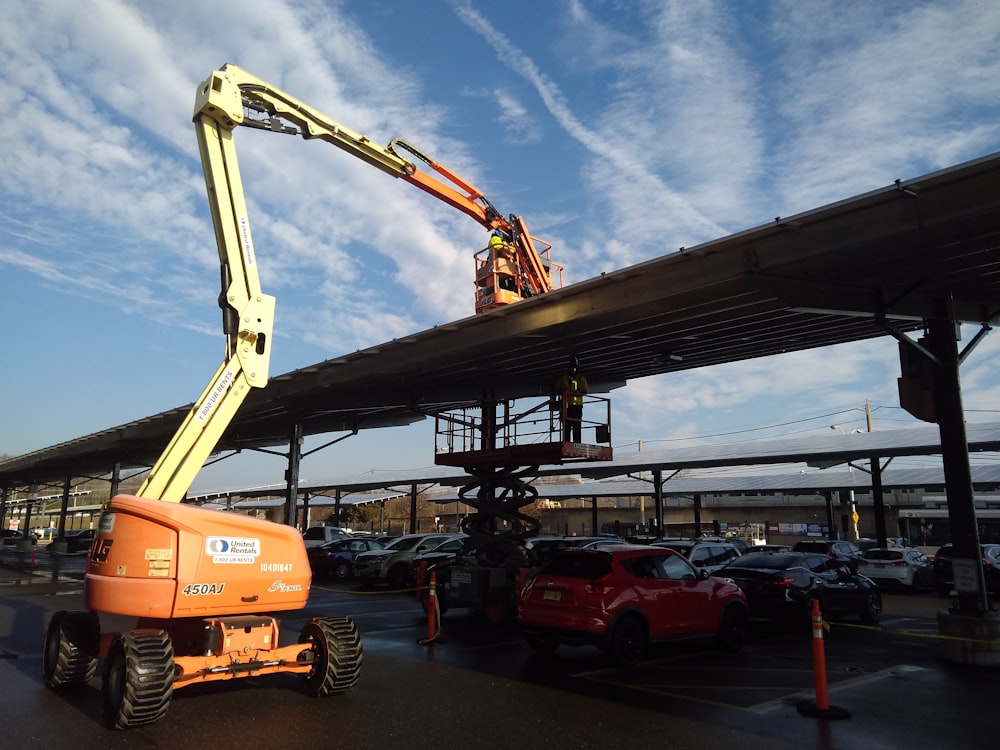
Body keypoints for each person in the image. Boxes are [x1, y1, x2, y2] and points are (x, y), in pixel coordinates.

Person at [554, 355, 588, 442]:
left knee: (576, 426)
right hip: (567, 406)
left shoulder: (581, 379)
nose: (573, 369)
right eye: (571, 367)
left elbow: (584, 391)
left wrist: (576, 393)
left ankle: (577, 443)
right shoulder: (564, 378)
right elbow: (556, 388)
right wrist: (562, 391)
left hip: (577, 406)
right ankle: (567, 442)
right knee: (567, 426)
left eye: (574, 368)